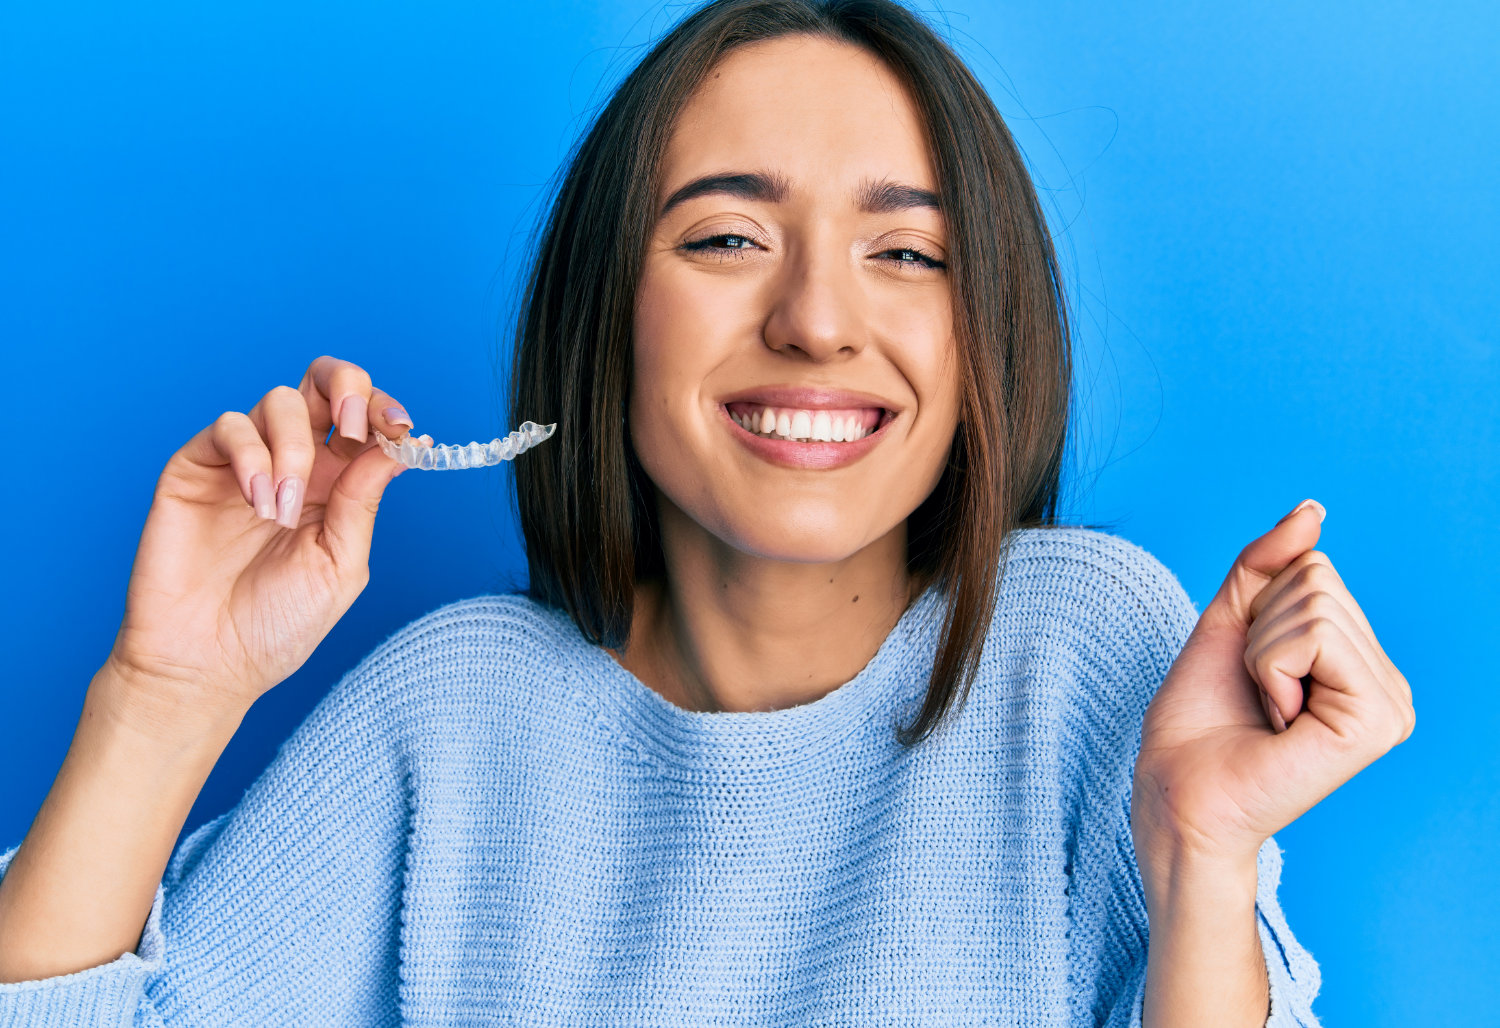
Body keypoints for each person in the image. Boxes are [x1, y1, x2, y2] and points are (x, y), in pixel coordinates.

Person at [0, 0, 1414, 1024]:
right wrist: (167, 692)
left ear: (989, 333)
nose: (813, 322)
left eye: (906, 252)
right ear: (608, 313)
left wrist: (1199, 854)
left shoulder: (1086, 647)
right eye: (728, 238)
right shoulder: (453, 711)